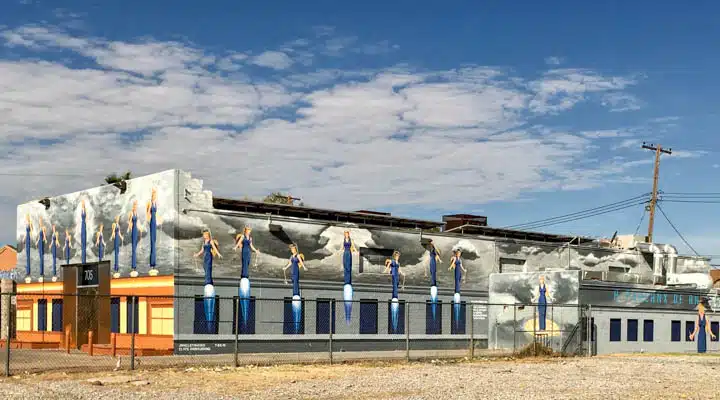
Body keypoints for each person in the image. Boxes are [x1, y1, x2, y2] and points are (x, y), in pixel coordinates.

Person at [146, 188, 163, 274]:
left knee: (154, 241)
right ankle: (152, 263)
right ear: (152, 195)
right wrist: (148, 221)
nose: (155, 197)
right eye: (154, 195)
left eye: (155, 195)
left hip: (155, 221)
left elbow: (156, 214)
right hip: (151, 221)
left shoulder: (155, 203)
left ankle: (154, 264)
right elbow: (148, 213)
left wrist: (160, 219)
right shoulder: (149, 202)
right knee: (152, 241)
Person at [126, 200, 143, 277]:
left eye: (136, 205)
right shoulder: (131, 213)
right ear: (133, 206)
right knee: (133, 249)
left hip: (136, 230)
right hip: (133, 231)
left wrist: (140, 228)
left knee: (135, 249)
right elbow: (129, 222)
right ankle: (133, 267)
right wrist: (129, 227)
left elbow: (138, 222)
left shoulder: (137, 213)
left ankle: (134, 266)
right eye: (134, 205)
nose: (135, 206)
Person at [36, 216, 47, 281]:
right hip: (39, 242)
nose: (40, 222)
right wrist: (37, 242)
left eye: (40, 221)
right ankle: (41, 272)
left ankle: (42, 272)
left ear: (42, 222)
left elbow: (44, 235)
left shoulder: (43, 227)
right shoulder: (39, 228)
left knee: (42, 257)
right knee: (40, 257)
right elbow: (39, 237)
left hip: (42, 242)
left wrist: (45, 239)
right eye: (39, 221)